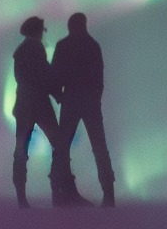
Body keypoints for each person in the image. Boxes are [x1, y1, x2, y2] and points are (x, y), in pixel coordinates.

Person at [51, 12, 116, 207]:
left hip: (70, 99)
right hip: (89, 101)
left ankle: (59, 193)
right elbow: (99, 77)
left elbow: (55, 74)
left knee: (62, 148)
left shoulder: (63, 46)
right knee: (99, 147)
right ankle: (109, 194)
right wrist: (95, 98)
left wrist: (59, 95)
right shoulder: (92, 45)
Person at [11, 16, 61, 208]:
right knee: (58, 144)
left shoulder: (20, 50)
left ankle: (21, 197)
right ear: (38, 31)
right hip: (39, 103)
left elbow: (23, 77)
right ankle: (58, 189)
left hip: (23, 104)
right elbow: (43, 74)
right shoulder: (37, 48)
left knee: (21, 150)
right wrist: (57, 93)